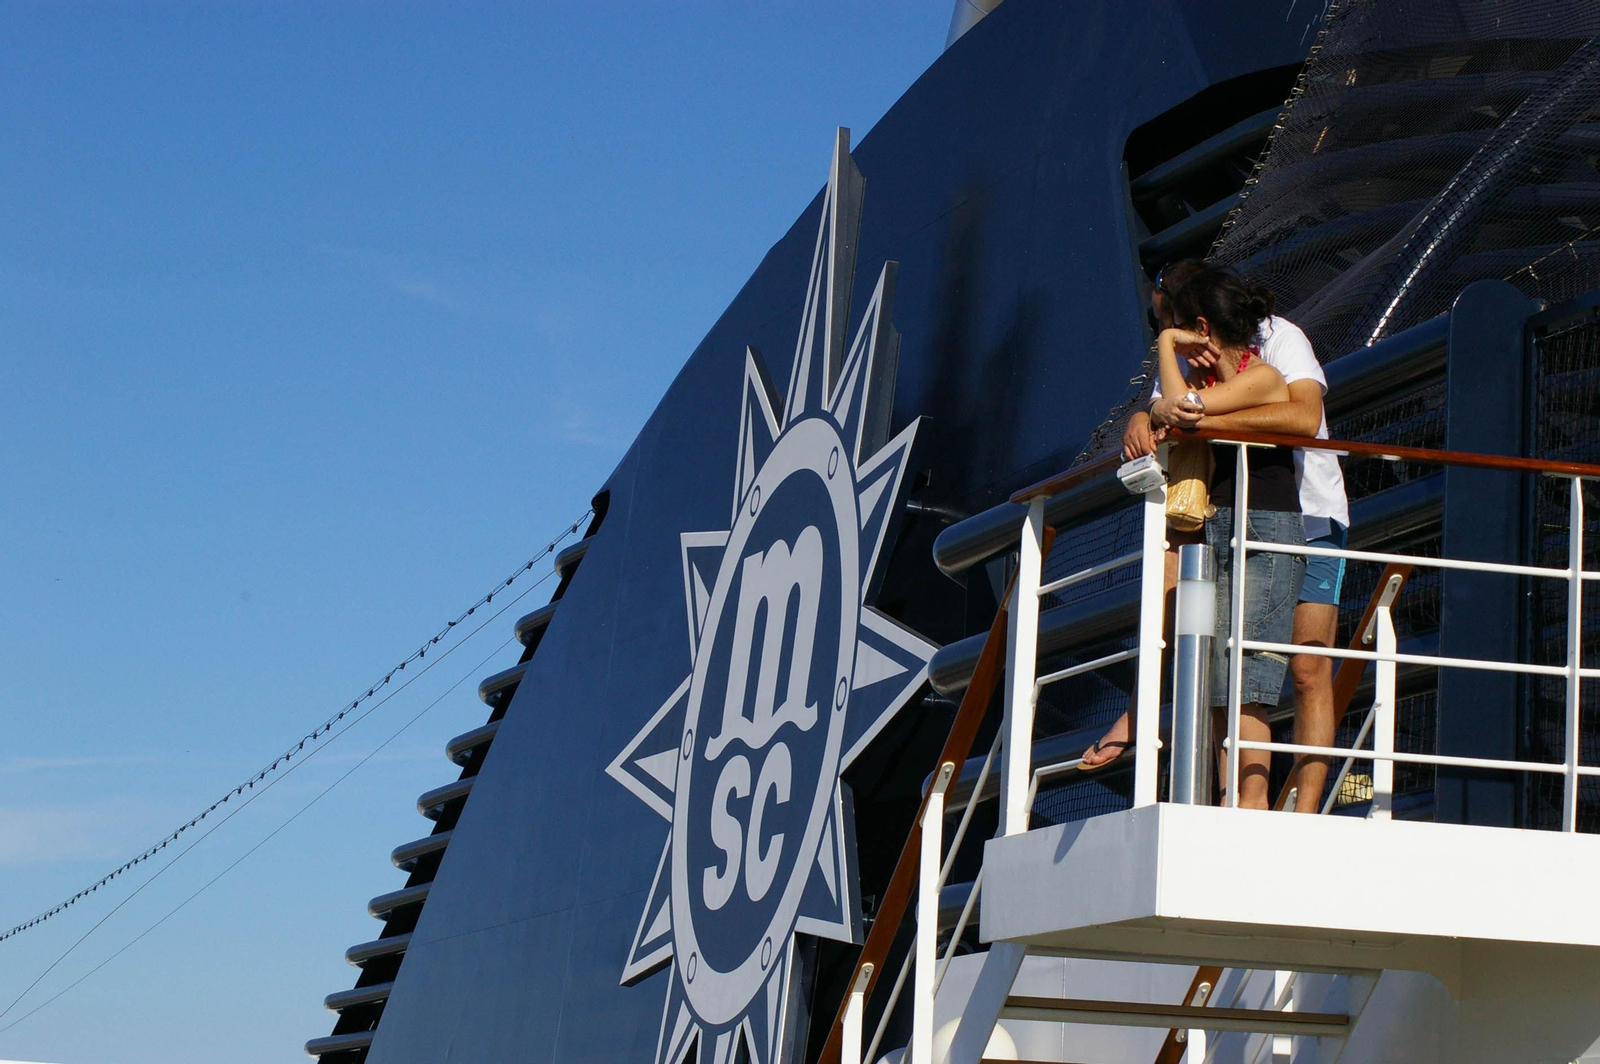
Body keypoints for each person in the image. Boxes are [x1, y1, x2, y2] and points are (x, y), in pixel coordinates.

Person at [1084, 267, 1345, 812]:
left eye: (1173, 325)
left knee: (1303, 668)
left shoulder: (1278, 340)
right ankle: (1164, 725)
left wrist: (1199, 417)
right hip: (1228, 515)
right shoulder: (1195, 361)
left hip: (1308, 514)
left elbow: (1302, 414)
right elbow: (1168, 409)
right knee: (1224, 664)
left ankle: (1299, 814)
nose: (1173, 338)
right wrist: (1146, 410)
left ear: (1199, 322)